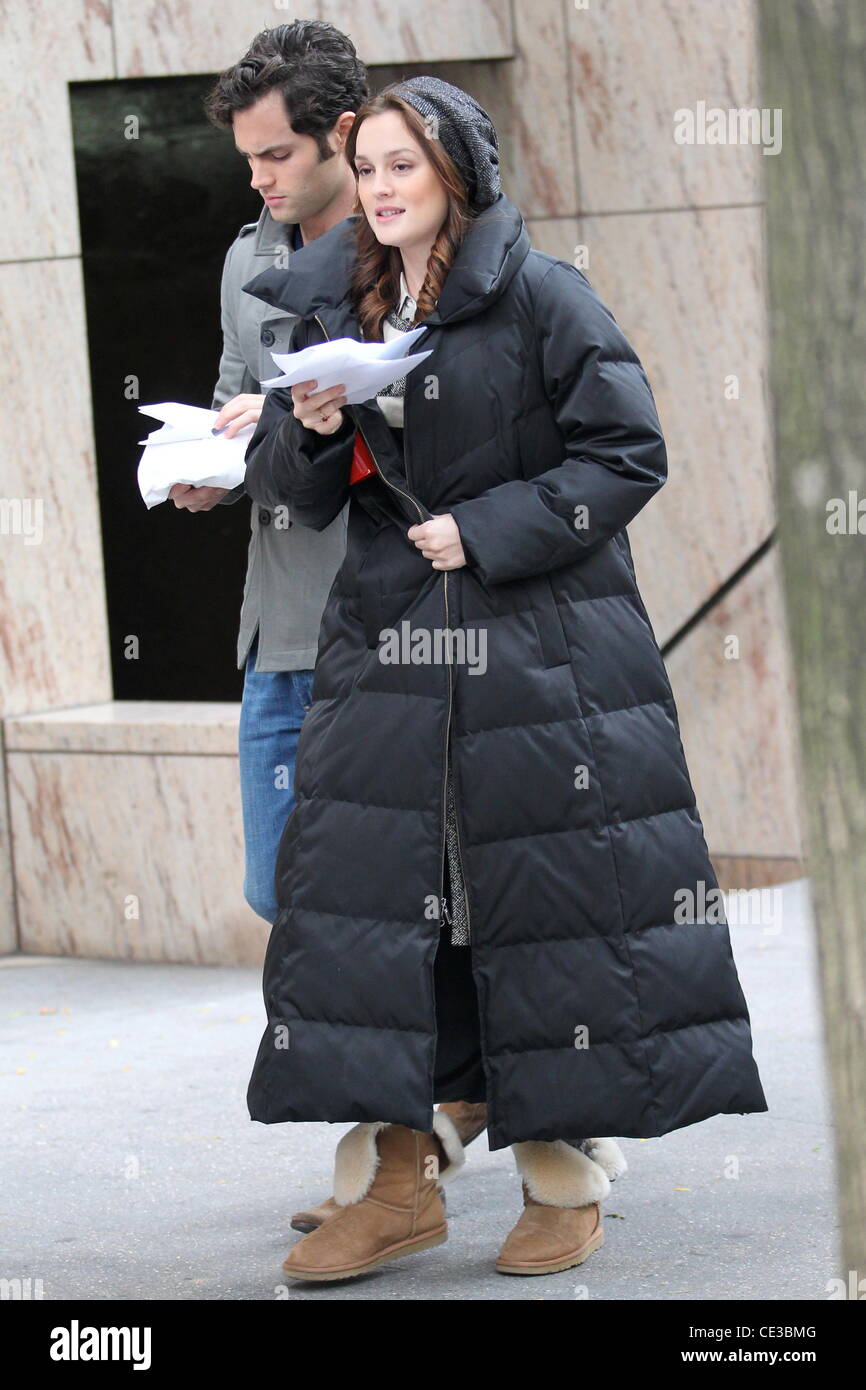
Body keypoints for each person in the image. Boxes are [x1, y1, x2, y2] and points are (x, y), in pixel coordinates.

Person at [241, 76, 768, 1281]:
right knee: (375, 907)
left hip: (543, 650)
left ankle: (561, 1178)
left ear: (456, 176)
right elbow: (290, 490)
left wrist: (489, 529)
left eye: (401, 166)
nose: (377, 188)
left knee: (541, 904)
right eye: (364, 166)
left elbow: (627, 454)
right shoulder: (336, 305)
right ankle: (397, 1178)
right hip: (386, 651)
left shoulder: (539, 295)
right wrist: (313, 429)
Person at [168, 24, 494, 1221]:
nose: (257, 177)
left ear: (341, 137)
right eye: (246, 157)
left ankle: (397, 1158)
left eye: (275, 154)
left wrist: (300, 427)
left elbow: (453, 437)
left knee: (375, 907)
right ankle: (441, 1108)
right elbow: (230, 399)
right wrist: (211, 452)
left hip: (384, 628)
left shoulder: (406, 256)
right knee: (282, 889)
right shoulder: (244, 255)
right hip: (274, 630)